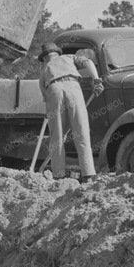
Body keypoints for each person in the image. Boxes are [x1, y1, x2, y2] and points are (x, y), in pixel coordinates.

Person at [37, 42, 102, 181]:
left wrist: (52, 117)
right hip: (73, 88)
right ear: (57, 53)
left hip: (54, 90)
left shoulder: (44, 70)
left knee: (57, 137)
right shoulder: (69, 57)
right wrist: (96, 81)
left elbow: (45, 96)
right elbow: (89, 62)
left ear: (44, 58)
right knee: (81, 132)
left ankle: (59, 176)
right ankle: (89, 174)